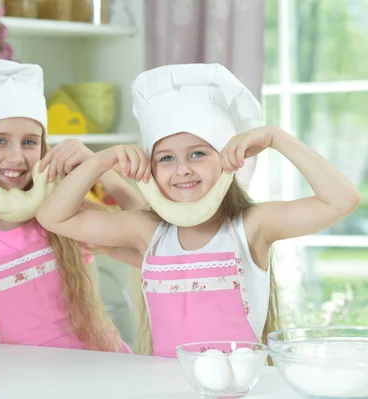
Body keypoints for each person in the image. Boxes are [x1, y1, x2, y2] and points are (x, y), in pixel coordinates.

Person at [36, 63, 361, 357]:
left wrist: (277, 138)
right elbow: (53, 217)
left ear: (228, 159)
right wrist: (101, 160)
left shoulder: (251, 227)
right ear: (150, 167)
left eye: (198, 154)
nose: (182, 170)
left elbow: (342, 199)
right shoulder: (147, 232)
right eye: (166, 158)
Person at [0, 59, 145, 354]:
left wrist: (101, 169)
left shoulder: (63, 213)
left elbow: (157, 247)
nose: (17, 157)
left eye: (29, 142)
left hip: (99, 372)